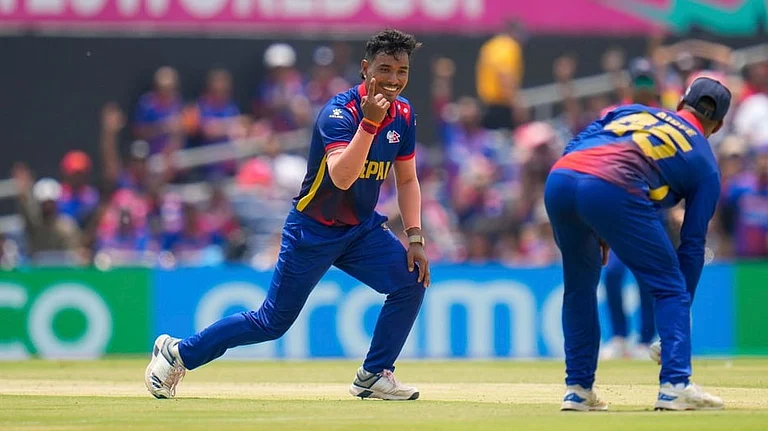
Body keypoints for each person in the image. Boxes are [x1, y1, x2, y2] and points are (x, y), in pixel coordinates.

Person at [145, 29, 430, 401]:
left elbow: (407, 180)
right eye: (385, 69)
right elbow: (342, 176)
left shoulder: (404, 113)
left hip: (360, 229)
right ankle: (176, 353)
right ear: (365, 68)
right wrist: (370, 123)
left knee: (412, 280)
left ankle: (374, 375)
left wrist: (415, 237)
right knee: (271, 322)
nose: (393, 80)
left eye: (402, 71)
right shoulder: (339, 113)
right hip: (314, 230)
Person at [544, 77, 731, 411]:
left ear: (679, 105)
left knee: (578, 288)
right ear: (716, 127)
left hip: (561, 179)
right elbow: (691, 245)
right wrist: (678, 315)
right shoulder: (705, 162)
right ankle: (675, 383)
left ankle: (578, 390)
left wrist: (593, 219)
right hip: (614, 186)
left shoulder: (631, 111)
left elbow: (575, 144)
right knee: (670, 287)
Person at [599, 57, 660, 360]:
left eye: (648, 81)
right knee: (612, 274)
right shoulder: (613, 115)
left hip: (651, 206)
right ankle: (621, 337)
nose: (644, 87)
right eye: (640, 81)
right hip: (617, 207)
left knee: (646, 276)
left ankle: (645, 340)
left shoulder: (661, 118)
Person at [475, 20, 527, 130]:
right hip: (503, 107)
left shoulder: (490, 45)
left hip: (486, 105)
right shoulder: (510, 46)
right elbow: (505, 76)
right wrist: (516, 104)